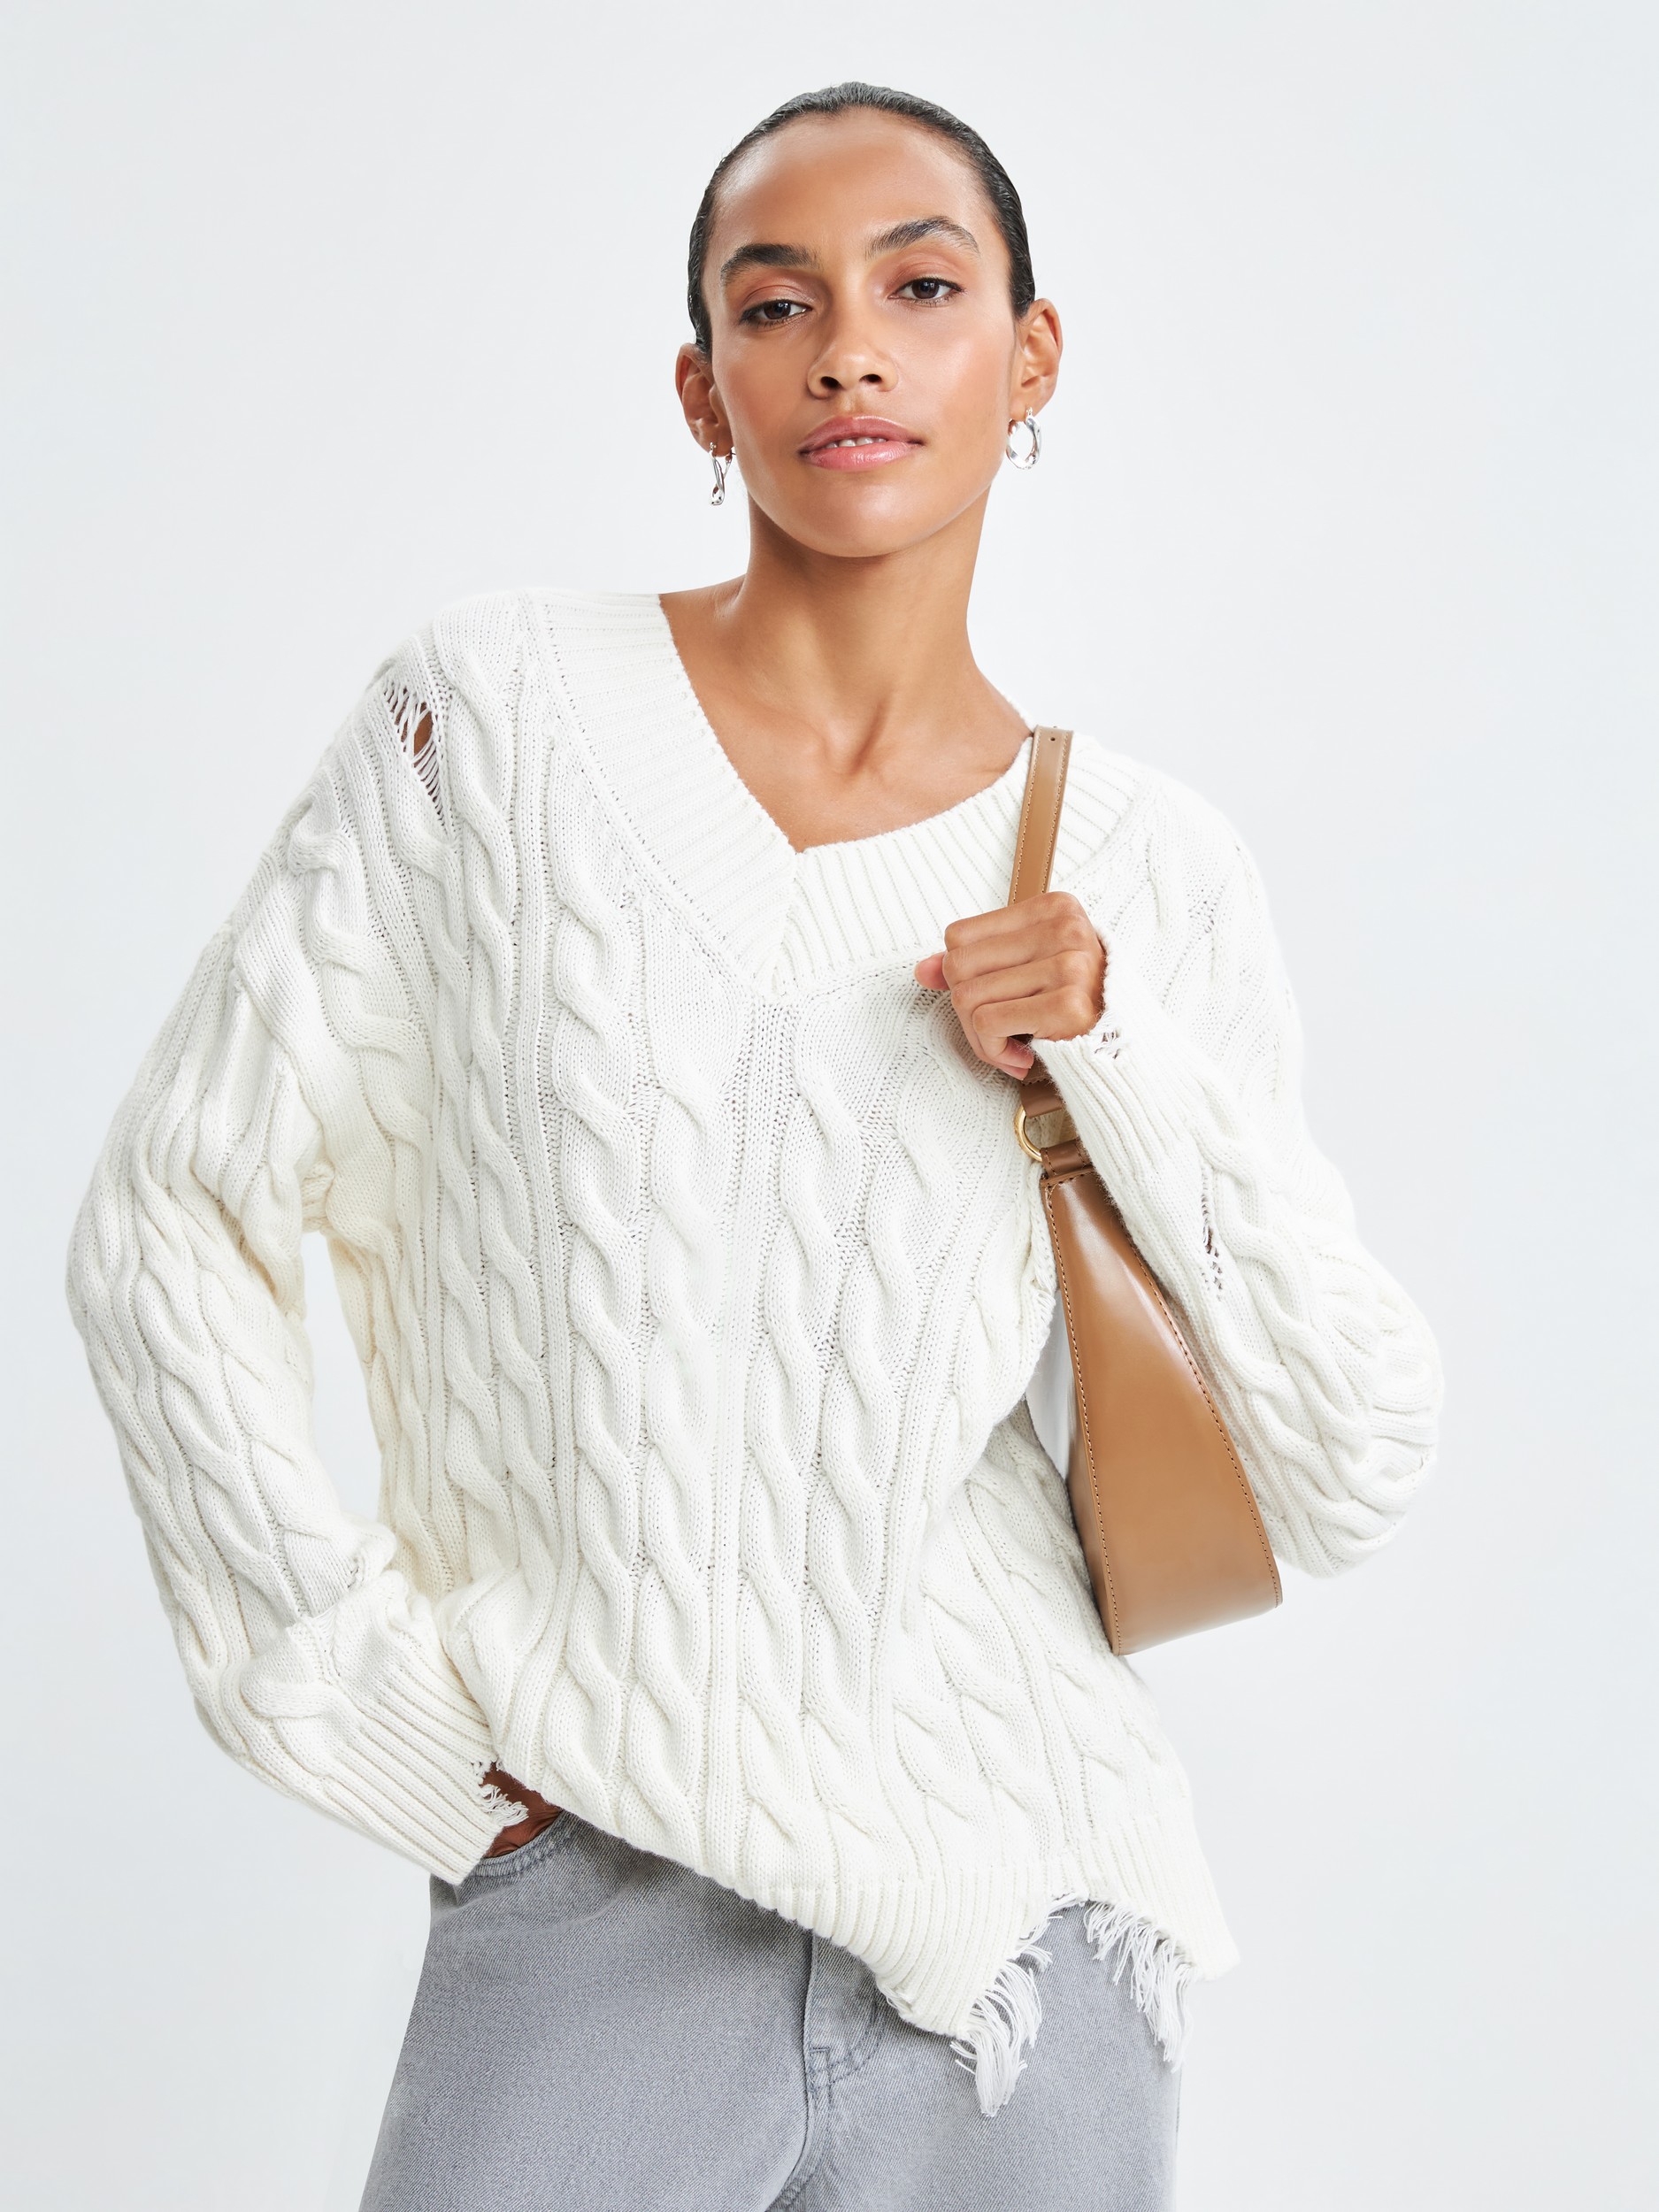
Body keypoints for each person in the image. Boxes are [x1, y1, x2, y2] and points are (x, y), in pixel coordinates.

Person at [65, 81, 1442, 2212]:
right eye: (776, 304)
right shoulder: (491, 722)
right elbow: (170, 1214)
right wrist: (370, 1708)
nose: (850, 352)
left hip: (1029, 1933)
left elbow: (1346, 1455)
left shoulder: (1144, 870)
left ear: (1029, 357)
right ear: (702, 390)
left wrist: (1111, 1053)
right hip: (592, 1881)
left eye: (921, 288)